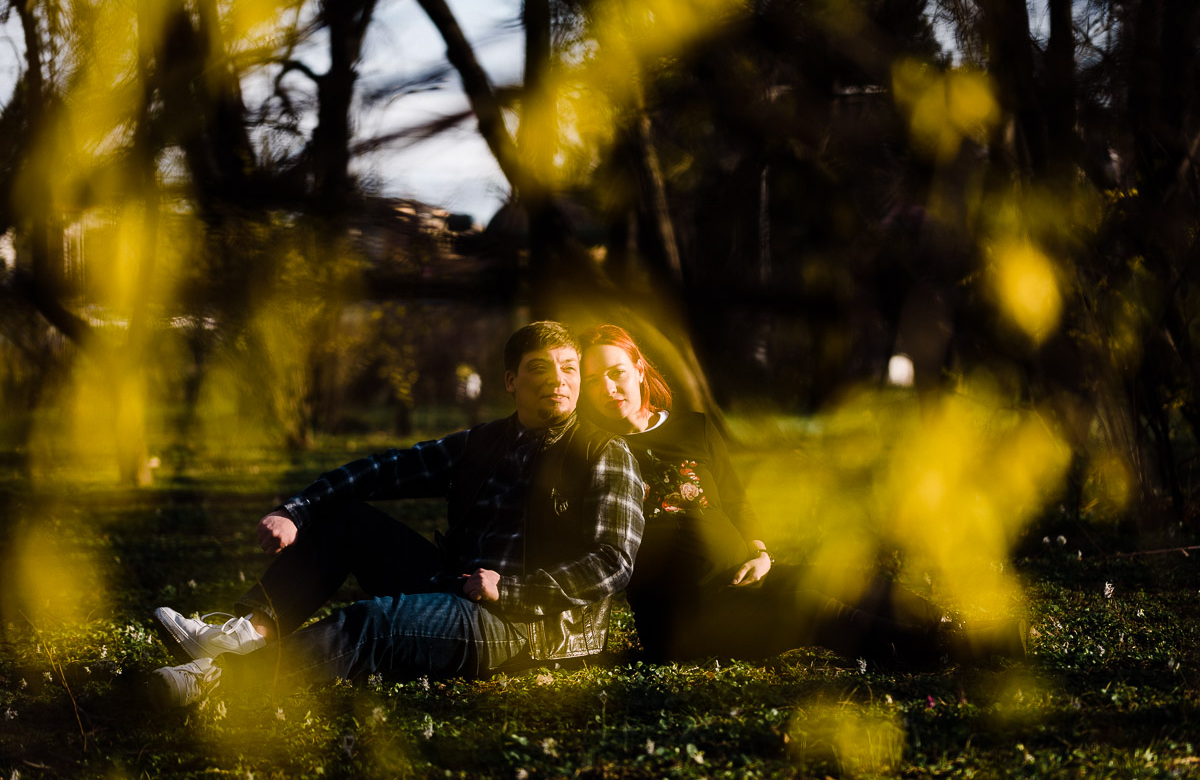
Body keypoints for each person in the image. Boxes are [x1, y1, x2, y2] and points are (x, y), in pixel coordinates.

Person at [149, 321, 645, 707]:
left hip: (530, 627)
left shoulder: (604, 453)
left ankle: (221, 682)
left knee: (375, 623)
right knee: (344, 517)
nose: (558, 380)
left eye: (569, 368)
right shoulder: (485, 442)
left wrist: (512, 590)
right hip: (457, 584)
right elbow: (389, 468)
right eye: (540, 368)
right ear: (512, 381)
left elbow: (613, 562)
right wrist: (297, 510)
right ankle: (244, 635)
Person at [578, 323, 1026, 668]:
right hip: (687, 617)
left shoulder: (694, 427)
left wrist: (759, 553)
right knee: (817, 610)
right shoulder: (596, 452)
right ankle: (957, 649)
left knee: (841, 577)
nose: (608, 388)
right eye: (593, 380)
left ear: (639, 369)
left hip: (744, 577)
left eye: (616, 373)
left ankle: (954, 626)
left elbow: (734, 500)